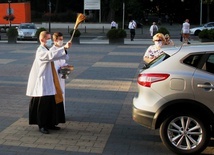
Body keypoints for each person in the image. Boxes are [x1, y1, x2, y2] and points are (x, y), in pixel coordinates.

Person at [26, 31, 71, 134]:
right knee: (43, 105)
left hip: (50, 80)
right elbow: (50, 56)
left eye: (50, 38)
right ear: (42, 40)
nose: (50, 41)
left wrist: (64, 50)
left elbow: (56, 56)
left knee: (51, 103)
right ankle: (42, 125)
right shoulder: (40, 51)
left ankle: (51, 123)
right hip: (43, 81)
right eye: (48, 39)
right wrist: (63, 48)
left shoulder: (47, 49)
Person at [50, 32, 73, 116]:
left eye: (62, 39)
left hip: (61, 77)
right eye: (60, 39)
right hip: (55, 77)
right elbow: (56, 59)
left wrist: (66, 67)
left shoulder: (61, 49)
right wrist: (64, 48)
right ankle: (55, 114)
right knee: (56, 95)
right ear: (55, 40)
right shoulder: (52, 51)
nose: (61, 41)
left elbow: (64, 59)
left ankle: (61, 114)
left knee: (62, 94)